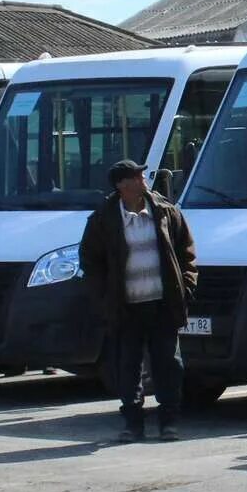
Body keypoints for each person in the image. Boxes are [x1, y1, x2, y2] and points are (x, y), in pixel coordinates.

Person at [78, 159, 197, 443]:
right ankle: (133, 424)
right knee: (128, 367)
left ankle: (169, 422)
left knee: (169, 365)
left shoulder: (167, 212)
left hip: (162, 305)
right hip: (126, 307)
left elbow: (187, 254)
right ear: (122, 185)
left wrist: (185, 289)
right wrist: (105, 299)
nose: (143, 179)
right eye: (136, 176)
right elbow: (90, 263)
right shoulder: (103, 219)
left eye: (142, 175)